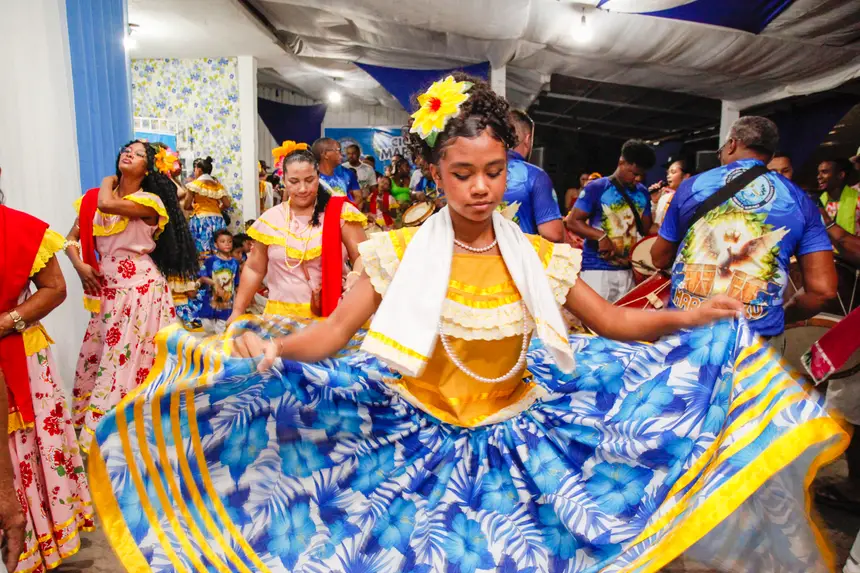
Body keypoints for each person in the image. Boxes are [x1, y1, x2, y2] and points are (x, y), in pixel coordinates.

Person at [90, 73, 847, 573]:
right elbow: (331, 335)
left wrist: (692, 314)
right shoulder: (394, 253)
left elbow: (615, 323)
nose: (481, 188)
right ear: (435, 172)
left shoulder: (539, 260)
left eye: (494, 171)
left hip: (520, 447)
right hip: (416, 446)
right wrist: (270, 345)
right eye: (462, 173)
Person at [651, 116, 837, 350]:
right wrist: (778, 315)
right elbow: (823, 292)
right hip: (756, 342)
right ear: (770, 154)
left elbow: (659, 258)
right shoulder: (801, 201)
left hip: (687, 334)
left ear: (731, 144)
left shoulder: (692, 186)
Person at [65, 140, 199, 452]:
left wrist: (107, 179)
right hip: (108, 292)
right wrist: (79, 265)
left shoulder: (149, 202)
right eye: (127, 150)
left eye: (139, 154)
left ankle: (128, 433)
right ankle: (109, 431)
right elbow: (70, 239)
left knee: (128, 360)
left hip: (141, 291)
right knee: (103, 358)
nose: (129, 154)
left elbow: (107, 204)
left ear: (148, 169)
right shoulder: (90, 201)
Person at [0, 195, 88, 571]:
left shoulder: (24, 229)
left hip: (20, 352)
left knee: (27, 448)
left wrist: (7, 322)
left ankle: (36, 545)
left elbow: (55, 288)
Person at [230, 148, 368, 322]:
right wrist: (237, 310)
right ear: (284, 181)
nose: (302, 189)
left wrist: (355, 275)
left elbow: (363, 255)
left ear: (318, 177)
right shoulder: (271, 219)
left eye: (309, 180)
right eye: (294, 181)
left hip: (331, 318)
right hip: (279, 319)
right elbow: (254, 268)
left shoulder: (341, 212)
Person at [566, 140, 656, 302]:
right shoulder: (597, 187)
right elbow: (573, 221)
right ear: (622, 162)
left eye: (641, 175)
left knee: (624, 318)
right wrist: (600, 237)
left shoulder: (642, 192)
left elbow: (646, 228)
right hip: (597, 270)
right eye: (634, 173)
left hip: (628, 271)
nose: (637, 179)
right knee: (593, 318)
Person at [503, 110, 564, 242]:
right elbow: (553, 234)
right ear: (528, 139)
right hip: (519, 254)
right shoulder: (534, 176)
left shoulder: (474, 171)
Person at [184, 156, 230, 261]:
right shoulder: (218, 186)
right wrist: (217, 209)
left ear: (199, 169)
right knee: (219, 251)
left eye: (195, 169)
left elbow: (186, 205)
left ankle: (204, 270)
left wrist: (196, 208)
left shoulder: (194, 185)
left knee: (202, 253)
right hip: (218, 219)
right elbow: (227, 204)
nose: (194, 172)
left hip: (201, 219)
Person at [197, 229, 240, 334]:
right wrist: (214, 284)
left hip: (227, 302)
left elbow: (237, 283)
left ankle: (219, 342)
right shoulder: (210, 261)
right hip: (210, 299)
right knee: (207, 325)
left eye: (229, 241)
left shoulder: (235, 263)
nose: (227, 244)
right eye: (223, 241)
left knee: (222, 329)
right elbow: (203, 277)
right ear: (216, 245)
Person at [818, 158, 859, 236]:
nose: (819, 176)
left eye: (824, 172)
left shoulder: (857, 200)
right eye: (819, 173)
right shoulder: (819, 202)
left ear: (840, 175)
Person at [652, 158, 693, 228]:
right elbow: (654, 225)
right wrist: (654, 202)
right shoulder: (664, 197)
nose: (668, 176)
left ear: (686, 176)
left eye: (673, 172)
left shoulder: (691, 200)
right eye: (667, 173)